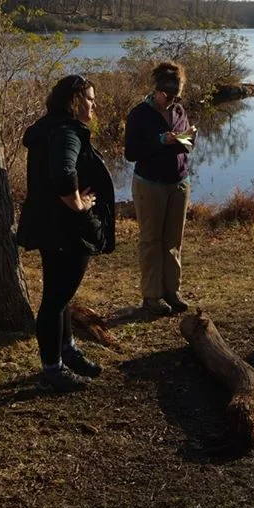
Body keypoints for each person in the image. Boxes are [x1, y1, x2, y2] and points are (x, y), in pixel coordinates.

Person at [16, 74, 115, 392]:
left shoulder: (49, 127)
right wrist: (78, 203)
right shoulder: (67, 133)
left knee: (60, 297)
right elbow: (62, 172)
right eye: (90, 99)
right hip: (65, 230)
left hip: (50, 226)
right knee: (55, 300)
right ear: (74, 101)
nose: (94, 105)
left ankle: (67, 351)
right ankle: (52, 370)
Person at [124, 60, 194, 317]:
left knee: (173, 240)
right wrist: (160, 141)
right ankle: (152, 296)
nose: (173, 101)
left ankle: (172, 291)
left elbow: (187, 144)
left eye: (177, 96)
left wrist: (187, 138)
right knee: (151, 240)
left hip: (179, 182)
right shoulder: (139, 114)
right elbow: (131, 153)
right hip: (150, 184)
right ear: (157, 90)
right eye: (169, 95)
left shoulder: (179, 111)